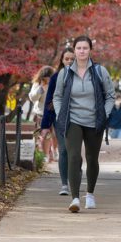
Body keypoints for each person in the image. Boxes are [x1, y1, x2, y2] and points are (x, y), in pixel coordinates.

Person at [54, 35, 115, 212]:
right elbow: (57, 97)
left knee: (92, 158)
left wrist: (105, 113)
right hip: (72, 120)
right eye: (78, 48)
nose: (81, 51)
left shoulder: (99, 71)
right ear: (74, 50)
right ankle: (74, 199)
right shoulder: (65, 73)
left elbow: (110, 95)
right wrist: (60, 114)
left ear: (90, 50)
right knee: (73, 156)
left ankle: (89, 194)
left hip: (94, 120)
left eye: (85, 48)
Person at [40, 47, 74, 195]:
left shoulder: (83, 76)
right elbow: (49, 102)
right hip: (59, 119)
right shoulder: (55, 77)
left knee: (75, 152)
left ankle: (75, 181)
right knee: (64, 150)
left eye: (72, 59)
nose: (69, 61)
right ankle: (65, 184)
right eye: (67, 59)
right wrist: (45, 125)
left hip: (78, 119)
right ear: (62, 60)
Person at [29, 66, 54, 162]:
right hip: (40, 114)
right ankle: (40, 155)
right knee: (38, 136)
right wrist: (40, 89)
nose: (47, 79)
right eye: (45, 77)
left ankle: (46, 155)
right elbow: (32, 98)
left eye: (49, 77)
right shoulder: (38, 84)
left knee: (47, 135)